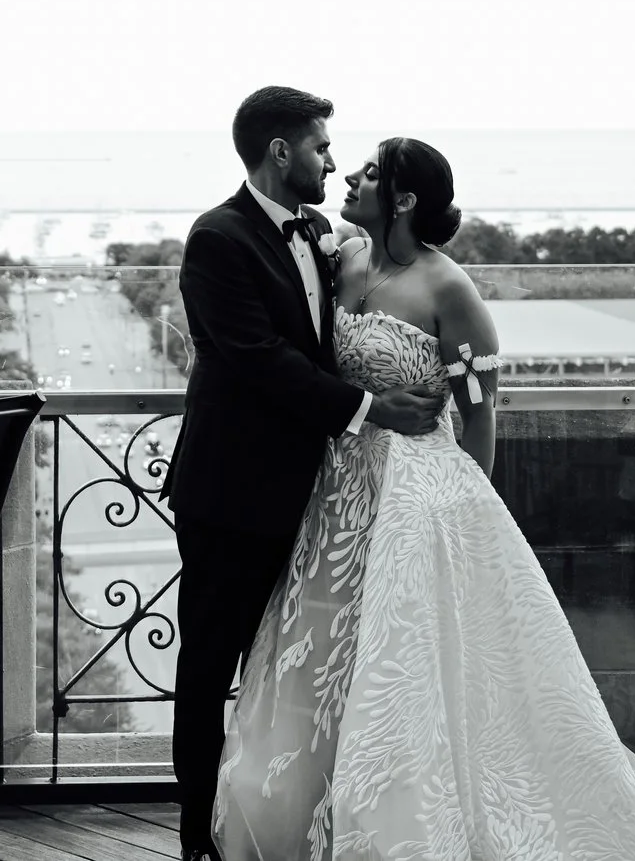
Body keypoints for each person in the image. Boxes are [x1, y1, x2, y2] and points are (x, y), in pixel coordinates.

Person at [212, 136, 635, 861]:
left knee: (411, 662)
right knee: (327, 656)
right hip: (338, 493)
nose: (353, 177)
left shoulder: (447, 288)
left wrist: (468, 510)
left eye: (370, 171)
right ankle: (308, 817)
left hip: (421, 499)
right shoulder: (345, 258)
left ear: (402, 197)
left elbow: (481, 407)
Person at [165, 87, 448, 861]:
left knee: (297, 671)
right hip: (231, 494)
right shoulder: (217, 237)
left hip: (318, 500)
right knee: (210, 664)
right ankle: (199, 835)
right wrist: (370, 408)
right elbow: (257, 358)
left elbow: (332, 336)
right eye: (322, 145)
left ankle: (297, 817)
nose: (330, 158)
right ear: (281, 151)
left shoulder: (322, 231)